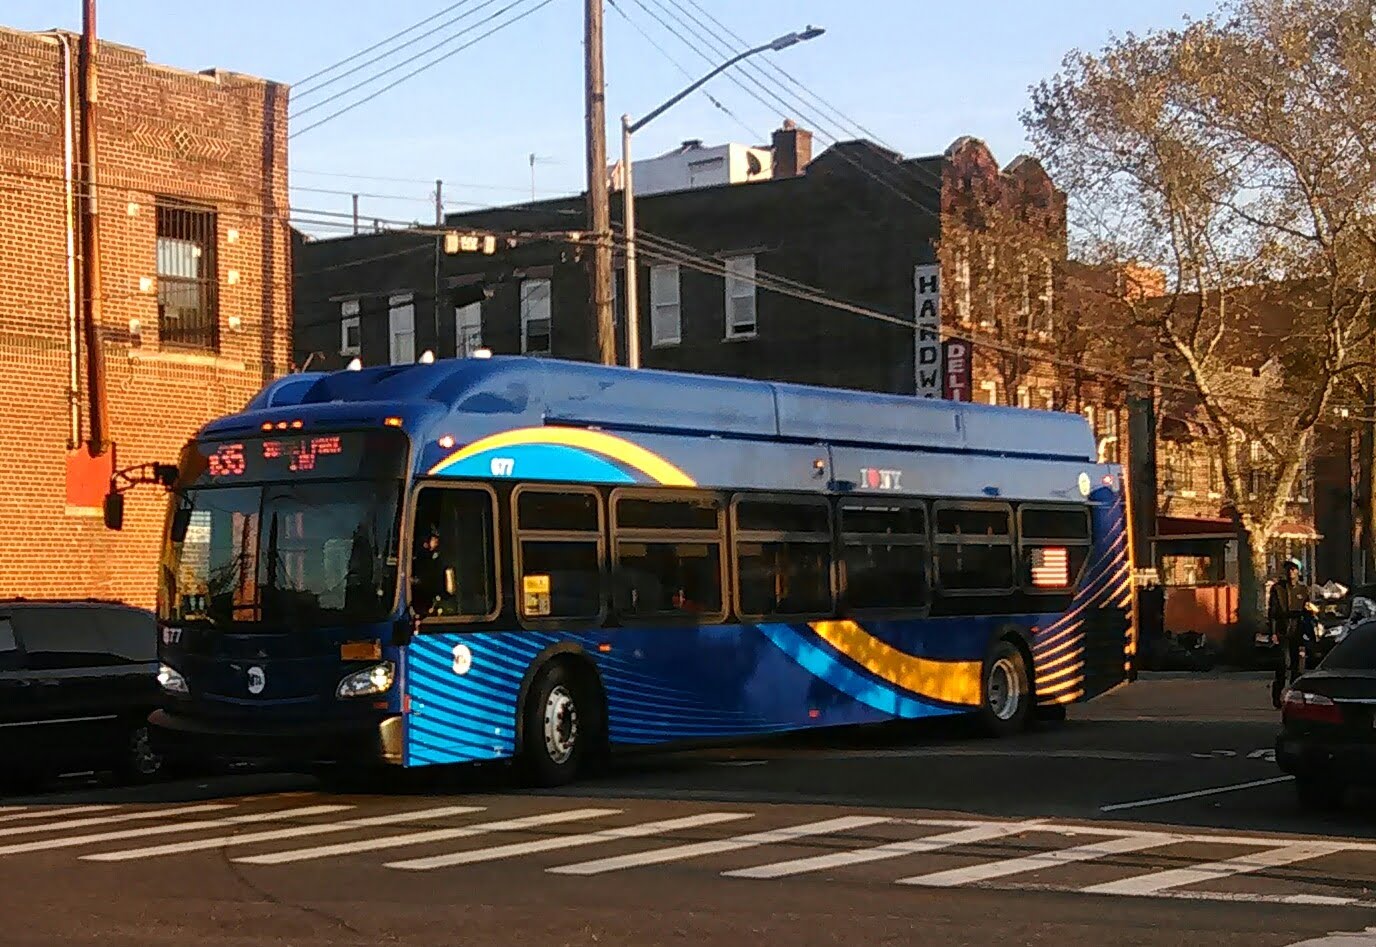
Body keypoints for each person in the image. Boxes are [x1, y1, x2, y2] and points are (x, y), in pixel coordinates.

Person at [1268, 558, 1317, 708]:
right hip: (1283, 631)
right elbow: (1273, 613)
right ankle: (1277, 696)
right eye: (1288, 569)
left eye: (1294, 569)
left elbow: (1309, 612)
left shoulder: (1303, 590)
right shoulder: (1277, 589)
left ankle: (1294, 698)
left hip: (1298, 632)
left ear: (1298, 571)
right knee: (1282, 665)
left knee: (1298, 668)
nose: (1291, 572)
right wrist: (1273, 632)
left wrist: (1311, 620)